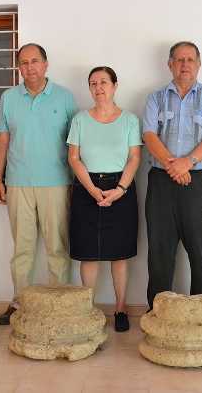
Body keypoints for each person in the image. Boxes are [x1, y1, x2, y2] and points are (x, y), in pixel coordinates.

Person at [0, 43, 77, 325]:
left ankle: (59, 304)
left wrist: (75, 182)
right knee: (22, 248)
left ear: (45, 64)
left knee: (57, 247)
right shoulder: (9, 98)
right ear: (19, 67)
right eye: (24, 62)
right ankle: (19, 303)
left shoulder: (65, 97)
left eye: (35, 61)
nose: (30, 67)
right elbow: (3, 139)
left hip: (56, 183)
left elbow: (75, 143)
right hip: (18, 182)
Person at [143, 41, 202, 309]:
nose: (185, 65)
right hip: (161, 182)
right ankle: (158, 313)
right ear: (170, 64)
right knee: (160, 252)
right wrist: (174, 165)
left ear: (198, 64)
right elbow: (149, 135)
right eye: (179, 60)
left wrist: (187, 162)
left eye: (190, 59)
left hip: (200, 181)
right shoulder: (155, 98)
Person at [67, 66, 141, 332]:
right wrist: (91, 189)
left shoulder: (130, 120)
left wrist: (120, 189)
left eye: (103, 82)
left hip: (121, 187)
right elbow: (74, 158)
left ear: (115, 86)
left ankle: (120, 308)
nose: (98, 88)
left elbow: (134, 158)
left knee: (119, 253)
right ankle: (87, 309)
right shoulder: (80, 119)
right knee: (88, 253)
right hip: (87, 187)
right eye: (93, 83)